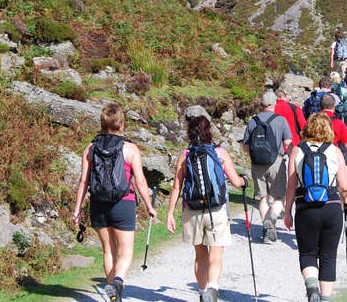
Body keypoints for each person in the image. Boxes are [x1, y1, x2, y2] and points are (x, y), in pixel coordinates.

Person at [72, 103, 157, 302]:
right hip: (123, 203)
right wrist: (149, 206)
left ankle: (112, 295)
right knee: (125, 251)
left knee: (108, 250)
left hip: (98, 204)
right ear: (121, 124)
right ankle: (118, 281)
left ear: (102, 123)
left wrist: (77, 210)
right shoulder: (130, 149)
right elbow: (141, 181)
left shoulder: (90, 148)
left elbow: (84, 181)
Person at [166, 115, 247, 302]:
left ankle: (203, 293)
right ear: (209, 130)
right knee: (216, 253)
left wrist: (170, 213)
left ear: (190, 133)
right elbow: (235, 181)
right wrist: (244, 181)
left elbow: (177, 187)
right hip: (216, 210)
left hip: (192, 210)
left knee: (200, 255)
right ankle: (213, 287)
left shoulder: (185, 155)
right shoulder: (220, 153)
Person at [283, 113, 347, 302]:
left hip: (305, 208)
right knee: (328, 256)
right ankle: (326, 298)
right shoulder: (335, 151)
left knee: (308, 252)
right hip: (331, 207)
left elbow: (290, 185)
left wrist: (288, 212)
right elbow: (344, 186)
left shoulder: (297, 150)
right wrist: (345, 202)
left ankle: (312, 289)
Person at [243, 91, 293, 242]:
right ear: (274, 104)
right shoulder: (281, 120)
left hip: (257, 163)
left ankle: (266, 232)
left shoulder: (253, 121)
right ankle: (270, 220)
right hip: (276, 162)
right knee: (279, 196)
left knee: (262, 197)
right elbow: (287, 143)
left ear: (262, 104)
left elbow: (245, 147)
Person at [320, 94, 347, 173]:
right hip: (332, 158)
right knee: (343, 185)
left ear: (321, 106)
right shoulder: (338, 123)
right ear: (334, 106)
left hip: (313, 158)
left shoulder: (312, 121)